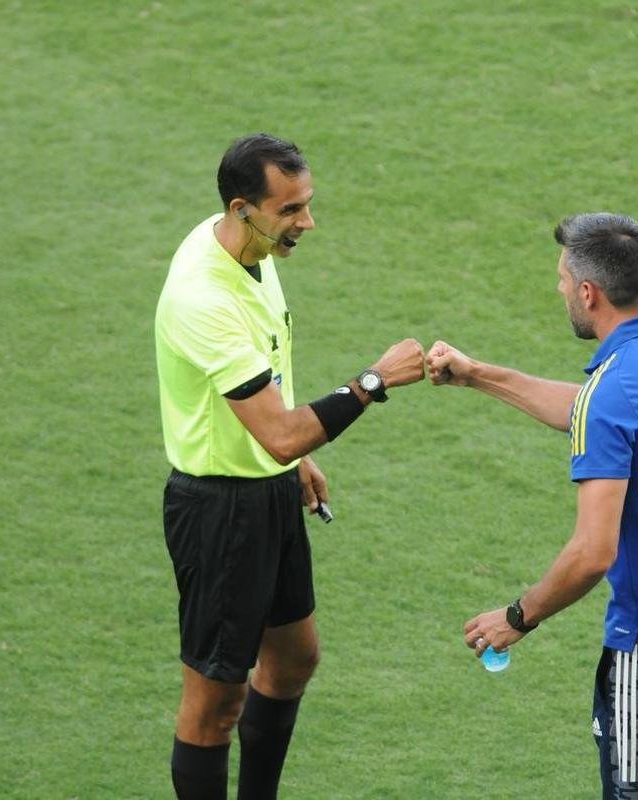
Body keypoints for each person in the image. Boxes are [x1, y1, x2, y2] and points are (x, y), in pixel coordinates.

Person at [427, 213, 638, 799]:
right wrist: (478, 375)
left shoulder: (612, 394)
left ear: (589, 293)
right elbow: (603, 409)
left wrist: (517, 617)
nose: (559, 287)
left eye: (563, 279)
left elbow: (592, 552)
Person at [154, 133, 424, 799]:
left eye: (306, 204)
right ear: (242, 207)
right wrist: (372, 381)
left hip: (267, 486)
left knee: (294, 659)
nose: (308, 222)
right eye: (291, 210)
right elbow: (276, 433)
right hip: (220, 508)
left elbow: (272, 385)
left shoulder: (251, 246)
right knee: (214, 704)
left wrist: (297, 456)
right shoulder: (203, 298)